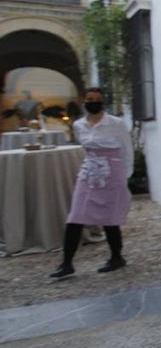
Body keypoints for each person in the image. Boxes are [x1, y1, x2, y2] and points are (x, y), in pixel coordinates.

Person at [49, 87, 133, 279]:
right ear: (84, 101)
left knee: (110, 218)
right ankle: (66, 263)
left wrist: (125, 176)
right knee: (75, 216)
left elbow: (127, 149)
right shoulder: (79, 125)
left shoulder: (115, 123)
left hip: (112, 172)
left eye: (96, 99)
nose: (92, 102)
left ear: (102, 102)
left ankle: (116, 257)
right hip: (88, 173)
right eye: (89, 99)